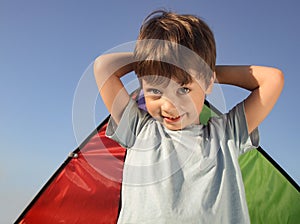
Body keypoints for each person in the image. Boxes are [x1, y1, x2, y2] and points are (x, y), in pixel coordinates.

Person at [94, 10, 284, 224]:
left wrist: (204, 71)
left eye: (183, 89)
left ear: (208, 84)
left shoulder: (226, 135)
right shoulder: (138, 129)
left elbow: (272, 79)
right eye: (155, 90)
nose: (169, 105)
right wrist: (156, 60)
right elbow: (103, 67)